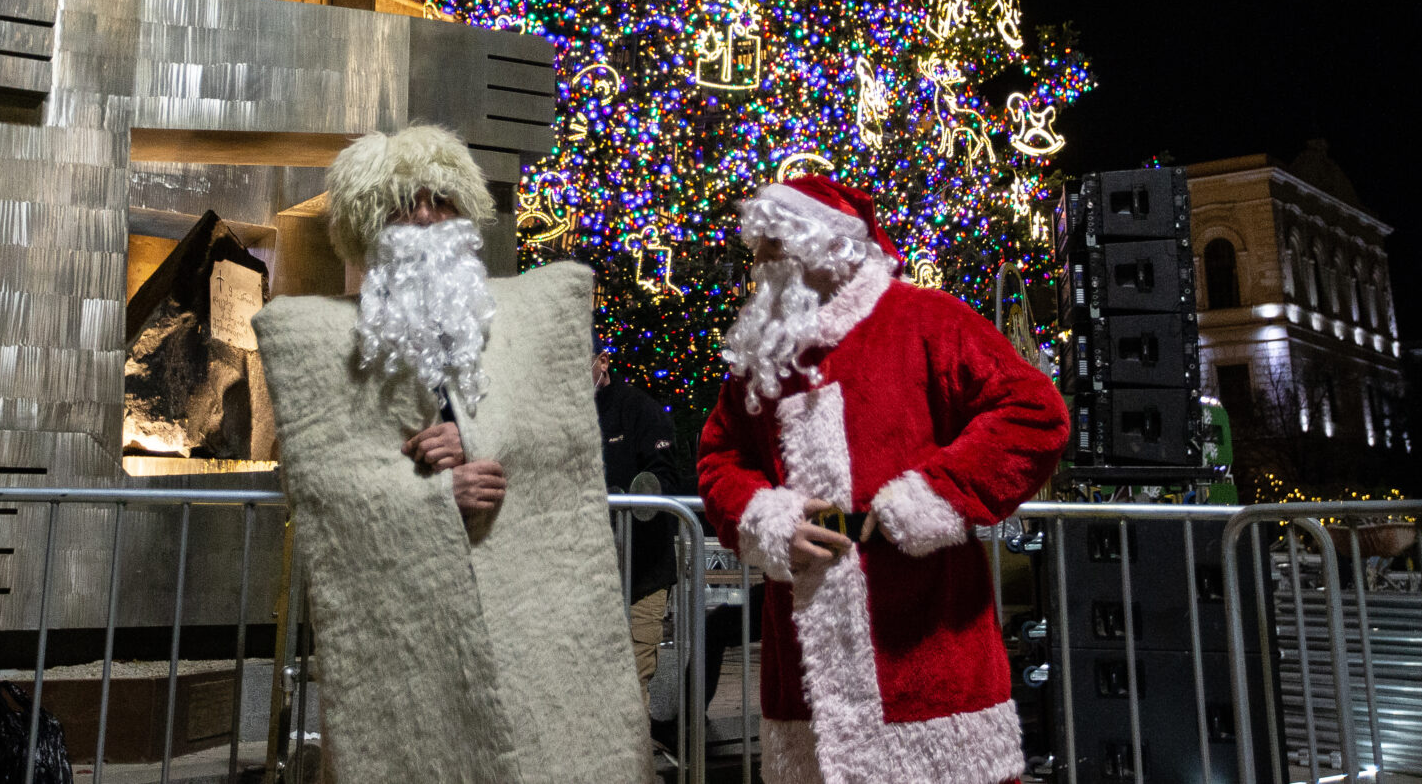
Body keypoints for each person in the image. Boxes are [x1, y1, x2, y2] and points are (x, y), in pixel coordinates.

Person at [252, 126, 652, 784]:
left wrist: (477, 441)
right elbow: (324, 489)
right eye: (405, 202)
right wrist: (432, 493)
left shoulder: (520, 331)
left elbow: (556, 449)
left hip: (528, 612)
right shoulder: (320, 343)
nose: (426, 215)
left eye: (442, 199)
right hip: (405, 629)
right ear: (367, 223)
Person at [698, 175, 1070, 784]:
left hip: (926, 642)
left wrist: (929, 498)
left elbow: (1035, 414)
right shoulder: (762, 358)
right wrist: (770, 519)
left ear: (825, 245)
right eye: (757, 248)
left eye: (773, 246)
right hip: (806, 663)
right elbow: (719, 459)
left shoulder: (927, 320)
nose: (758, 263)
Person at [593, 349, 683, 700]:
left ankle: (636, 756)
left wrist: (624, 501)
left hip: (639, 574)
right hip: (582, 574)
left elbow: (666, 481)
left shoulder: (641, 410)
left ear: (603, 361)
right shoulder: (560, 413)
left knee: (629, 685)